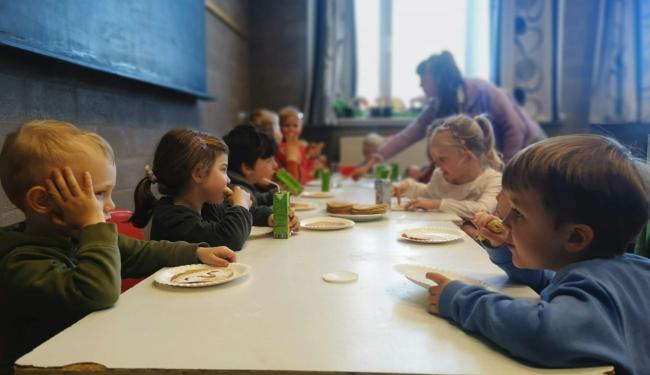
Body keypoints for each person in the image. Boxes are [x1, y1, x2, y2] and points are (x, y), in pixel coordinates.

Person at [0, 121, 236, 371]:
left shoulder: (75, 237)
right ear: (41, 200)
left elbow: (140, 251)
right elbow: (97, 292)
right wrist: (92, 224)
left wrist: (196, 252)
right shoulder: (21, 261)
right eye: (98, 195)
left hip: (91, 353)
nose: (110, 205)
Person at [426, 135, 650, 374]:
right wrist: (505, 248)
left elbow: (543, 332)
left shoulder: (592, 287)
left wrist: (462, 300)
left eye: (519, 214)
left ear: (575, 237)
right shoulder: (624, 271)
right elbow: (546, 279)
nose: (505, 222)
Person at [352, 50, 544, 179]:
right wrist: (373, 160)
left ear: (439, 78)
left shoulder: (482, 90)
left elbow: (515, 129)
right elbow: (407, 135)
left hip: (531, 147)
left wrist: (505, 172)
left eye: (424, 80)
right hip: (504, 157)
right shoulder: (438, 106)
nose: (420, 85)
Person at [131, 129, 271, 251]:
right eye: (223, 169)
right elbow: (230, 238)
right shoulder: (171, 218)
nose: (228, 180)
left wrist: (271, 217)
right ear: (199, 173)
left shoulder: (208, 205)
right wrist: (241, 206)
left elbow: (249, 212)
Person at [392, 114, 503, 219]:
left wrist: (437, 204)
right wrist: (408, 187)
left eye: (442, 159)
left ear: (467, 156)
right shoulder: (440, 175)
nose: (437, 165)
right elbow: (428, 194)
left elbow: (483, 209)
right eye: (434, 160)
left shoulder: (493, 180)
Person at [223, 124, 300, 232]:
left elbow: (255, 199)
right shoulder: (235, 189)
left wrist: (276, 195)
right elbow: (251, 211)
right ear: (247, 167)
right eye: (269, 161)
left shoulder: (241, 184)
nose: (275, 165)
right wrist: (271, 216)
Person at [276, 106, 324, 184]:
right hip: (291, 184)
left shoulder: (303, 147)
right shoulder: (279, 148)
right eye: (287, 125)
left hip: (303, 184)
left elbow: (307, 171)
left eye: (295, 126)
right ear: (280, 127)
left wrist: (312, 157)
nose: (291, 129)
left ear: (301, 128)